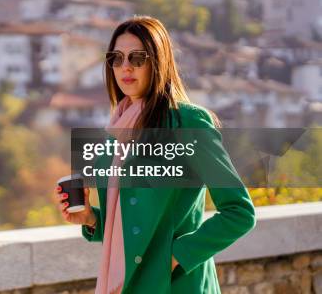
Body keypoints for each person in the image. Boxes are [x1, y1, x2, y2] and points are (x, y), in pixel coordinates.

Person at [54, 16, 256, 293]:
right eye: (117, 58)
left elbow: (240, 212)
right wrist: (91, 219)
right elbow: (135, 226)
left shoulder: (188, 123)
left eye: (137, 58)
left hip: (176, 286)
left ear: (157, 61)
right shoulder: (116, 133)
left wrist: (173, 259)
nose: (125, 67)